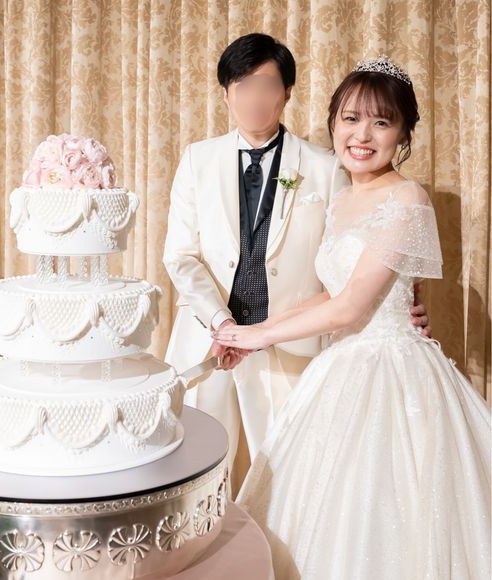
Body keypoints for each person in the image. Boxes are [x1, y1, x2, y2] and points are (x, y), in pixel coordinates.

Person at [213, 56, 491, 579]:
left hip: (393, 370)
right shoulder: (342, 200)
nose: (362, 135)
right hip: (342, 364)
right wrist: (252, 334)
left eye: (381, 122)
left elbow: (351, 307)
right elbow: (330, 294)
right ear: (333, 123)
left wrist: (256, 336)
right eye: (350, 118)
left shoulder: (407, 197)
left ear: (403, 133)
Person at [163, 35, 431, 490]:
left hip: (294, 350)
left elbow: (356, 264)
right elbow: (180, 255)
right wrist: (222, 323)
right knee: (195, 473)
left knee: (286, 480)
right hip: (208, 337)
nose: (255, 98)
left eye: (267, 85)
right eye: (243, 86)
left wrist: (398, 302)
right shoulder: (197, 159)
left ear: (287, 92)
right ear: (226, 93)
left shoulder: (329, 166)